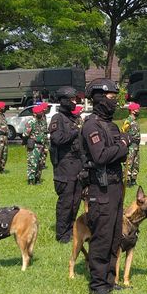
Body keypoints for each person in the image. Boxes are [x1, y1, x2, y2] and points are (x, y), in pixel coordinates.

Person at [79, 79, 129, 294]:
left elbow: (119, 155)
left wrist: (119, 148)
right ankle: (98, 285)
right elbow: (100, 156)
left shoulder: (111, 125)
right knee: (102, 236)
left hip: (115, 186)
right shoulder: (92, 126)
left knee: (115, 235)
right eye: (110, 97)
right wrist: (122, 145)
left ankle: (110, 278)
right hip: (100, 188)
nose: (114, 101)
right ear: (99, 98)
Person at [49, 86, 84, 242]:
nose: (73, 102)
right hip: (64, 165)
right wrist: (76, 132)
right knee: (66, 201)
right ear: (63, 101)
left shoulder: (73, 118)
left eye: (74, 99)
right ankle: (62, 233)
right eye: (71, 100)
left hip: (76, 164)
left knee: (76, 200)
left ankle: (71, 229)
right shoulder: (58, 118)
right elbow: (57, 139)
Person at [26, 103, 49, 185]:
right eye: (39, 112)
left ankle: (37, 179)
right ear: (34, 113)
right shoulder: (31, 122)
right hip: (34, 146)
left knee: (40, 163)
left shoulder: (41, 121)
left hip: (41, 145)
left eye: (41, 112)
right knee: (32, 163)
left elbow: (44, 132)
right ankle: (31, 180)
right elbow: (25, 134)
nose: (41, 113)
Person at [122, 102, 141, 186]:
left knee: (136, 163)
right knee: (129, 163)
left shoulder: (134, 121)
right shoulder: (128, 121)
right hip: (130, 146)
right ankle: (127, 181)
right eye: (137, 109)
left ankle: (133, 179)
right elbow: (123, 132)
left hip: (136, 146)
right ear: (132, 111)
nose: (138, 111)